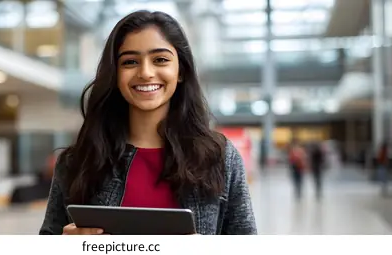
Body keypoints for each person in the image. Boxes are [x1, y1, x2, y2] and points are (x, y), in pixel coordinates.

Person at [39, 11, 256, 235]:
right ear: (115, 73)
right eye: (130, 62)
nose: (145, 72)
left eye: (160, 60)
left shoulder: (220, 158)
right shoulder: (78, 161)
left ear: (180, 71)